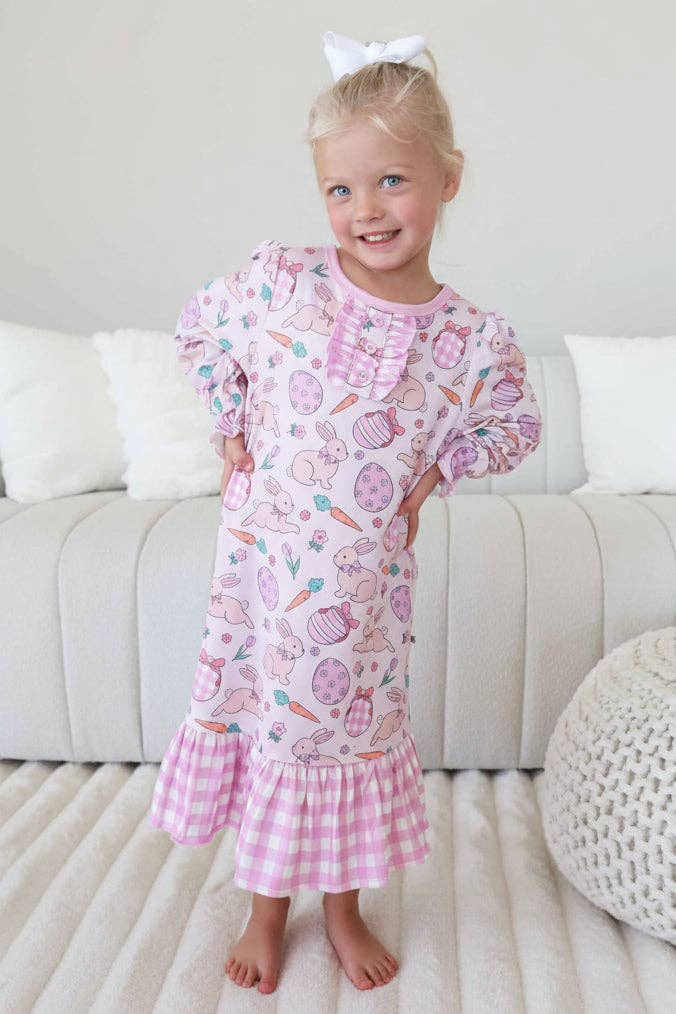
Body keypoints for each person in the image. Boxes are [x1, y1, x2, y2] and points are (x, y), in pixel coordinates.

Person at [150, 29, 542, 995]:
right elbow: (201, 329)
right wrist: (232, 419)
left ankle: (342, 907)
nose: (366, 209)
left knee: (346, 734)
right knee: (274, 729)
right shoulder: (284, 285)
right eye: (340, 189)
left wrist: (436, 473)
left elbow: (515, 423)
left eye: (392, 181)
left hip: (363, 595)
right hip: (263, 578)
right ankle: (263, 910)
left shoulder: (467, 339)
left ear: (449, 178)